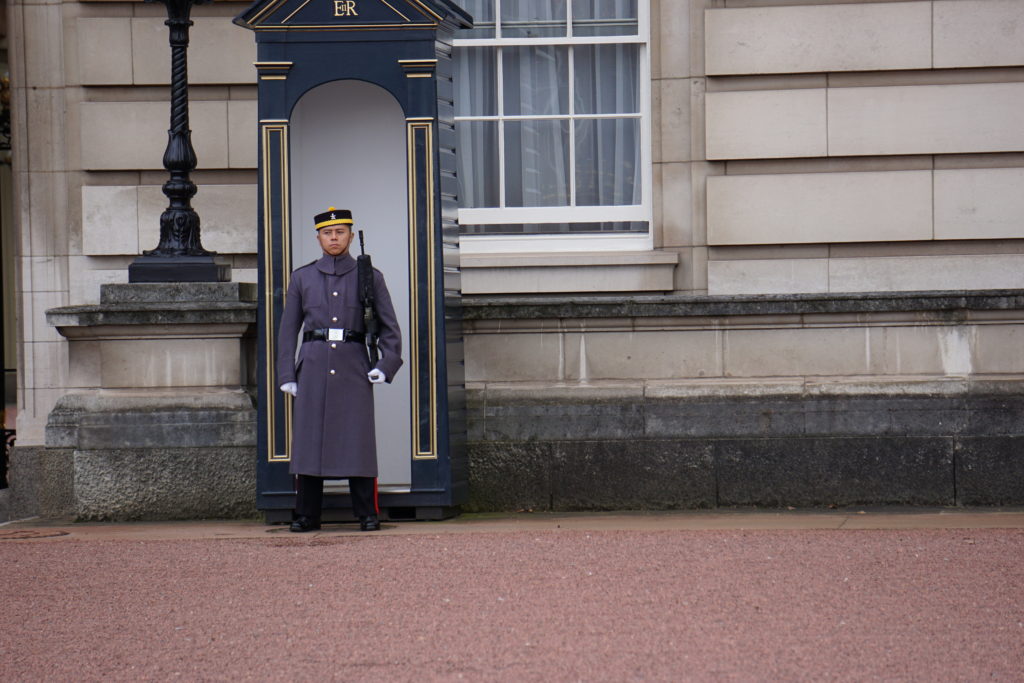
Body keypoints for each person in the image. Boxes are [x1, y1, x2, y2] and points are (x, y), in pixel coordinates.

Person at [276, 207, 403, 532]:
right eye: (327, 233)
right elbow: (288, 330)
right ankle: (306, 514)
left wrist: (385, 365)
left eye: (340, 232)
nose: (334, 238)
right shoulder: (302, 277)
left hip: (353, 364)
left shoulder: (369, 276)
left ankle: (366, 513)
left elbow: (389, 327)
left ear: (350, 234)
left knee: (357, 442)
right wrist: (287, 375)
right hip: (315, 365)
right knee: (308, 443)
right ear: (318, 237)